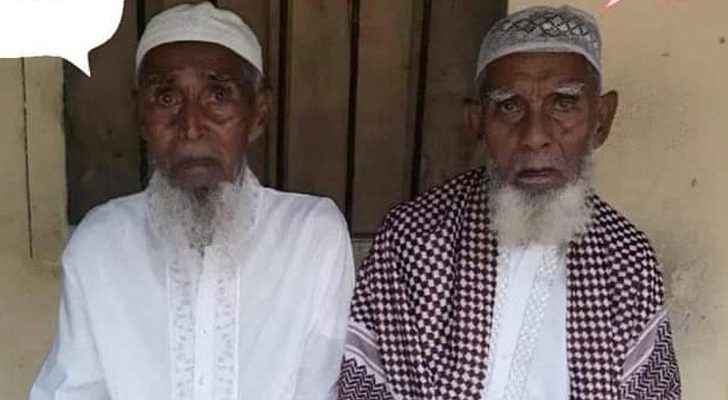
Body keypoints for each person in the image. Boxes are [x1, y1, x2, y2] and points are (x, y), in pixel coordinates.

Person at [338, 5, 680, 400]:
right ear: (476, 122)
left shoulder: (628, 260)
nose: (535, 136)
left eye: (563, 104)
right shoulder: (413, 239)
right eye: (510, 106)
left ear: (601, 119)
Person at [30, 3, 354, 399]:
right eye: (166, 97)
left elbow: (323, 389)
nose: (191, 127)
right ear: (141, 115)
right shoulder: (99, 246)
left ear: (258, 114)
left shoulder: (312, 237)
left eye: (218, 95)